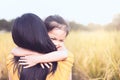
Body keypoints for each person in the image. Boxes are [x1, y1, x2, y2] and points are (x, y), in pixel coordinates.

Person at [7, 15, 74, 80]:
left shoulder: (11, 59)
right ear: (43, 34)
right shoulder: (66, 60)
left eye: (61, 40)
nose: (57, 43)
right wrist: (37, 55)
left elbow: (64, 54)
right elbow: (14, 50)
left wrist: (38, 58)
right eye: (53, 38)